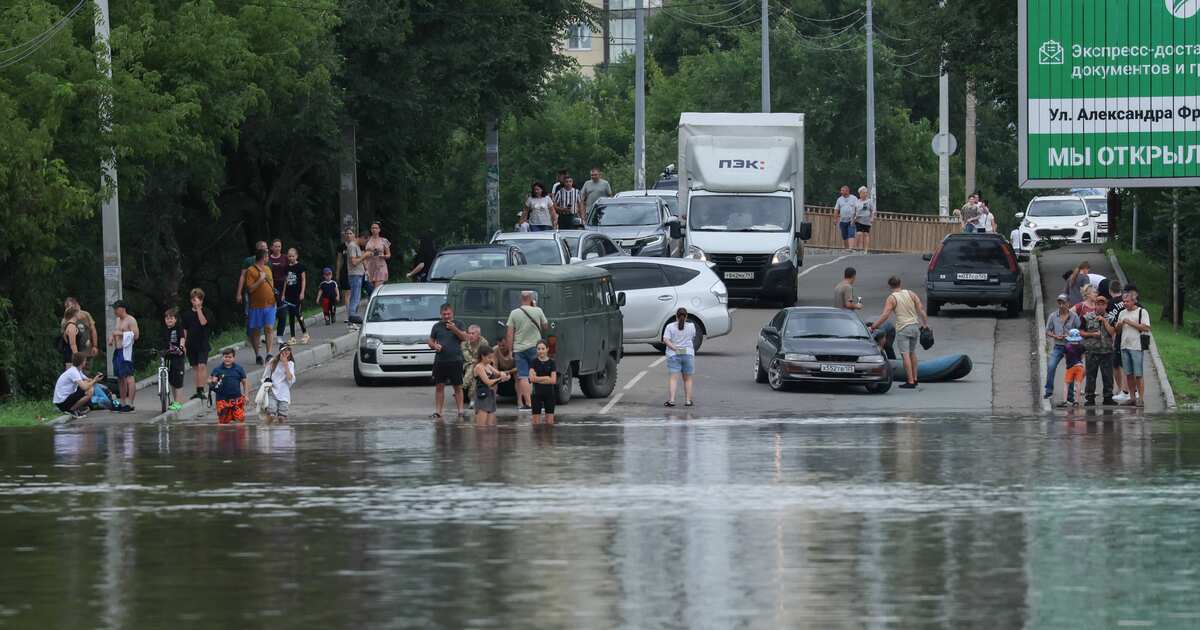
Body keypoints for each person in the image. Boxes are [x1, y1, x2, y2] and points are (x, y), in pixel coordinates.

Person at [868, 276, 930, 389]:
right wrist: (925, 325)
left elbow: (885, 315)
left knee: (905, 355)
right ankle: (915, 379)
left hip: (903, 328)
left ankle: (910, 381)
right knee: (912, 353)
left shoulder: (892, 298)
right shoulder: (911, 293)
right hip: (915, 327)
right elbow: (921, 310)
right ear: (900, 283)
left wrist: (873, 327)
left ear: (890, 286)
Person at [506, 291, 549, 410]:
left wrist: (510, 351)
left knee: (523, 376)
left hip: (519, 349)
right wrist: (535, 308)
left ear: (521, 299)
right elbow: (545, 326)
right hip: (535, 348)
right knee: (538, 374)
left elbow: (509, 334)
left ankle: (529, 403)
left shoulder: (514, 313)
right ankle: (541, 402)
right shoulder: (538, 310)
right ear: (530, 298)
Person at [428, 303, 469, 419]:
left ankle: (460, 411)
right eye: (444, 314)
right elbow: (430, 341)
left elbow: (465, 338)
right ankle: (438, 412)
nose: (446, 316)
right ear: (440, 314)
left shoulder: (459, 324)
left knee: (458, 386)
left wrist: (454, 329)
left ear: (452, 313)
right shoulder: (436, 326)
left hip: (455, 360)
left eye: (448, 314)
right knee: (439, 386)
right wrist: (434, 346)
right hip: (440, 360)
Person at [1042, 293, 1082, 400]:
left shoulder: (1074, 316)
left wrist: (1070, 335)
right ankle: (1049, 391)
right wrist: (1055, 335)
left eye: (1063, 303)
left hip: (1071, 346)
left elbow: (1079, 330)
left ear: (1068, 304)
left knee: (1071, 369)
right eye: (1059, 303)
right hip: (1058, 345)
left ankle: (1070, 396)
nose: (1061, 305)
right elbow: (1047, 331)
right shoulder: (1053, 316)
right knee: (1051, 366)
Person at [1116, 291, 1151, 407]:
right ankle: (1131, 397)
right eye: (1124, 301)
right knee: (1129, 374)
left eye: (1127, 301)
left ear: (1133, 301)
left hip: (1136, 346)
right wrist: (1119, 326)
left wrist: (1130, 322)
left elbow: (1146, 328)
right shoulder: (1121, 313)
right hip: (1124, 345)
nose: (1125, 303)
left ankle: (1140, 398)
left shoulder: (1142, 311)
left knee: (1138, 374)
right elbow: (1118, 331)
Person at [1081, 293, 1116, 406]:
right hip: (1092, 351)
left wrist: (1105, 321)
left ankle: (1108, 397)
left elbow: (1113, 332)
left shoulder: (1111, 318)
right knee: (1091, 375)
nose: (1100, 306)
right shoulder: (1087, 317)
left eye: (1103, 304)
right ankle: (1090, 398)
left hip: (1107, 351)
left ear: (1106, 306)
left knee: (1108, 376)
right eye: (1098, 304)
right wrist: (1092, 334)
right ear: (1095, 305)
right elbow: (1081, 332)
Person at [244, 249, 277, 365]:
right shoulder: (250, 270)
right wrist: (260, 280)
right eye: (267, 256)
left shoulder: (268, 269)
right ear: (263, 257)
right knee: (256, 330)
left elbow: (271, 285)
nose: (268, 258)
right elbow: (250, 289)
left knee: (269, 328)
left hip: (270, 304)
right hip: (256, 306)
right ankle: (258, 354)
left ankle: (269, 354)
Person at [181, 288, 213, 401]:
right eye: (194, 300)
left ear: (202, 301)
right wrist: (183, 344)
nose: (196, 302)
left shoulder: (207, 311)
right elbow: (184, 330)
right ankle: (197, 390)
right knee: (195, 368)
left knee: (202, 366)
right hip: (191, 344)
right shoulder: (186, 314)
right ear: (191, 301)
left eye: (198, 299)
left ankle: (201, 390)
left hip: (203, 343)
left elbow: (204, 322)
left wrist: (199, 310)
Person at [109, 300, 139, 412]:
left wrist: (121, 334)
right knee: (120, 378)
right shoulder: (118, 320)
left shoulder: (131, 320)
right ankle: (122, 402)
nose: (115, 311)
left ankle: (130, 403)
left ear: (122, 308)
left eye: (116, 309)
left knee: (129, 377)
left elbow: (135, 335)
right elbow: (115, 331)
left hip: (127, 351)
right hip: (118, 351)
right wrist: (112, 337)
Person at [662, 308, 697, 407]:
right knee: (688, 379)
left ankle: (672, 400)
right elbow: (693, 337)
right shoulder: (691, 326)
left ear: (676, 316)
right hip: (688, 354)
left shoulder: (670, 326)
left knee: (673, 378)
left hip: (673, 354)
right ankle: (688, 401)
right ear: (686, 317)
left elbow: (665, 339)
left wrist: (674, 348)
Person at [53, 353, 103, 418]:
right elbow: (84, 387)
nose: (86, 362)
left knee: (88, 386)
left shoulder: (77, 370)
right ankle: (71, 410)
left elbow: (88, 380)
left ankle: (75, 408)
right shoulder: (74, 372)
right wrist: (94, 380)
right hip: (62, 403)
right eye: (85, 361)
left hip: (63, 400)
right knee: (89, 390)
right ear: (82, 363)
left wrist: (96, 378)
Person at [1104, 280, 1129, 401]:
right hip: (1129, 334)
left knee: (1116, 364)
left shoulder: (1110, 304)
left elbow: (1110, 322)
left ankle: (1121, 389)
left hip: (1117, 336)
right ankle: (1128, 389)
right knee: (1126, 364)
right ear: (1121, 290)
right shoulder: (1126, 301)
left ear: (1110, 291)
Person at [210, 347, 248, 424]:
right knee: (223, 423)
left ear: (233, 358)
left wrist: (246, 395)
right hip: (222, 400)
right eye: (225, 357)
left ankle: (240, 436)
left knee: (240, 420)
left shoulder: (239, 369)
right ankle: (225, 435)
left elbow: (245, 383)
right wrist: (211, 382)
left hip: (237, 399)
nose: (227, 359)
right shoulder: (217, 370)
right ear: (222, 358)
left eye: (230, 357)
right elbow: (211, 381)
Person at [472, 344, 508, 426]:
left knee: (491, 427)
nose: (491, 360)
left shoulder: (488, 365)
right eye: (489, 357)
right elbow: (488, 382)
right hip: (482, 396)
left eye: (492, 357)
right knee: (481, 428)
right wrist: (500, 379)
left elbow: (499, 374)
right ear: (482, 356)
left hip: (491, 395)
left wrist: (505, 375)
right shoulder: (479, 367)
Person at [161, 308, 187, 411]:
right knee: (171, 380)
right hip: (168, 357)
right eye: (167, 318)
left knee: (178, 380)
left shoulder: (178, 328)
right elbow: (163, 343)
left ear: (175, 319)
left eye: (171, 318)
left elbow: (182, 338)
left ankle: (178, 402)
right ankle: (175, 401)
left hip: (178, 357)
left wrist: (181, 347)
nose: (169, 320)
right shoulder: (164, 330)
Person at [282, 247, 309, 345]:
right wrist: (283, 294)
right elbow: (285, 281)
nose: (291, 258)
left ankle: (305, 333)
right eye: (289, 256)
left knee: (298, 314)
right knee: (291, 316)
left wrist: (302, 292)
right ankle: (293, 337)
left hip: (297, 295)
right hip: (289, 295)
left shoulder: (300, 267)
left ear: (296, 256)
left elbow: (303, 280)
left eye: (293, 256)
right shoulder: (286, 268)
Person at [263, 344, 296, 423]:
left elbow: (290, 379)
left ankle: (282, 433)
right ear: (280, 351)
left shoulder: (290, 363)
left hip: (284, 393)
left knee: (282, 417)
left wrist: (285, 364)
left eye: (288, 350)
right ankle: (266, 430)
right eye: (284, 350)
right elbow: (265, 375)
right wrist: (267, 385)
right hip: (272, 391)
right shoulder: (273, 362)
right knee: (271, 414)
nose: (286, 352)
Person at [63, 297, 98, 367]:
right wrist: (76, 356)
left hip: (87, 350)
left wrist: (95, 345)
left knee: (86, 373)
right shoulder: (67, 322)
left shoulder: (85, 315)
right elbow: (69, 341)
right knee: (76, 374)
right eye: (67, 307)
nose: (68, 309)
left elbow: (93, 330)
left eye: (70, 306)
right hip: (75, 353)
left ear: (76, 305)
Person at [343, 228, 367, 326]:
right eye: (366, 240)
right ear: (361, 238)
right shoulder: (353, 246)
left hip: (358, 274)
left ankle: (353, 320)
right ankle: (351, 321)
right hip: (355, 275)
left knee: (356, 297)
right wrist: (364, 255)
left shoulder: (356, 246)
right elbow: (354, 262)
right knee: (355, 298)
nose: (365, 243)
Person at [529, 340, 558, 423]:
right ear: (536, 350)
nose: (541, 351)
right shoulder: (533, 362)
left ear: (547, 349)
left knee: (550, 423)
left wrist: (537, 379)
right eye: (538, 349)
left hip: (549, 394)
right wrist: (546, 377)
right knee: (535, 423)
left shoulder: (552, 363)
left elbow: (553, 380)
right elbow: (531, 379)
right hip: (536, 394)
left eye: (543, 348)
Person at [461, 325, 489, 405]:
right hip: (468, 364)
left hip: (482, 364)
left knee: (475, 371)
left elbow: (485, 358)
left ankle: (464, 385)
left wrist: (477, 363)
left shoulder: (484, 342)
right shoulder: (464, 343)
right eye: (469, 333)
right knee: (473, 369)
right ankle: (473, 399)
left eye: (473, 333)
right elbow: (467, 357)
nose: (470, 335)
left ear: (478, 334)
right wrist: (475, 363)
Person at [268, 239, 289, 345]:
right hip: (270, 287)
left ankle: (280, 336)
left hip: (282, 287)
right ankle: (268, 335)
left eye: (279, 246)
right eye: (275, 246)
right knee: (271, 313)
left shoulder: (285, 258)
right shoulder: (268, 259)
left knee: (283, 313)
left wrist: (284, 292)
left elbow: (287, 275)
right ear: (271, 248)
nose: (277, 248)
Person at [1059, 328, 1085, 407]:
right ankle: (1076, 402)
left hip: (1070, 367)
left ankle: (1064, 401)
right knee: (1078, 384)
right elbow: (1082, 356)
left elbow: (1065, 357)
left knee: (1066, 384)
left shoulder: (1066, 347)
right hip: (1079, 366)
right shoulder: (1081, 346)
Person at [363, 221, 392, 290]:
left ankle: (376, 300)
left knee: (377, 289)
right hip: (369, 266)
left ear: (379, 230)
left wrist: (384, 256)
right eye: (372, 228)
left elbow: (389, 254)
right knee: (370, 289)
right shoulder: (366, 240)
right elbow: (362, 254)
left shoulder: (384, 240)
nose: (374, 229)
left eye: (376, 228)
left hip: (380, 266)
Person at [853, 186, 875, 251]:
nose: (864, 194)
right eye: (863, 193)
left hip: (867, 220)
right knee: (859, 234)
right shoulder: (857, 201)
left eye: (865, 193)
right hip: (858, 219)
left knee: (866, 234)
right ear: (860, 194)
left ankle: (866, 250)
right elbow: (854, 211)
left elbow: (873, 210)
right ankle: (858, 247)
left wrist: (872, 218)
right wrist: (852, 220)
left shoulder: (869, 201)